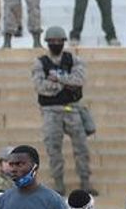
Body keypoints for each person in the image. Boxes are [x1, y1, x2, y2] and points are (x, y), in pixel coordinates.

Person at [34, 26, 92, 195]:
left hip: (72, 109)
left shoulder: (72, 60)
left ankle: (85, 181)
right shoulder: (40, 63)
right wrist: (65, 85)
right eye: (52, 41)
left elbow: (79, 80)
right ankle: (58, 183)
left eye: (59, 41)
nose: (56, 44)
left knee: (81, 147)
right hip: (50, 110)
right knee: (53, 149)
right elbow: (41, 87)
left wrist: (58, 79)